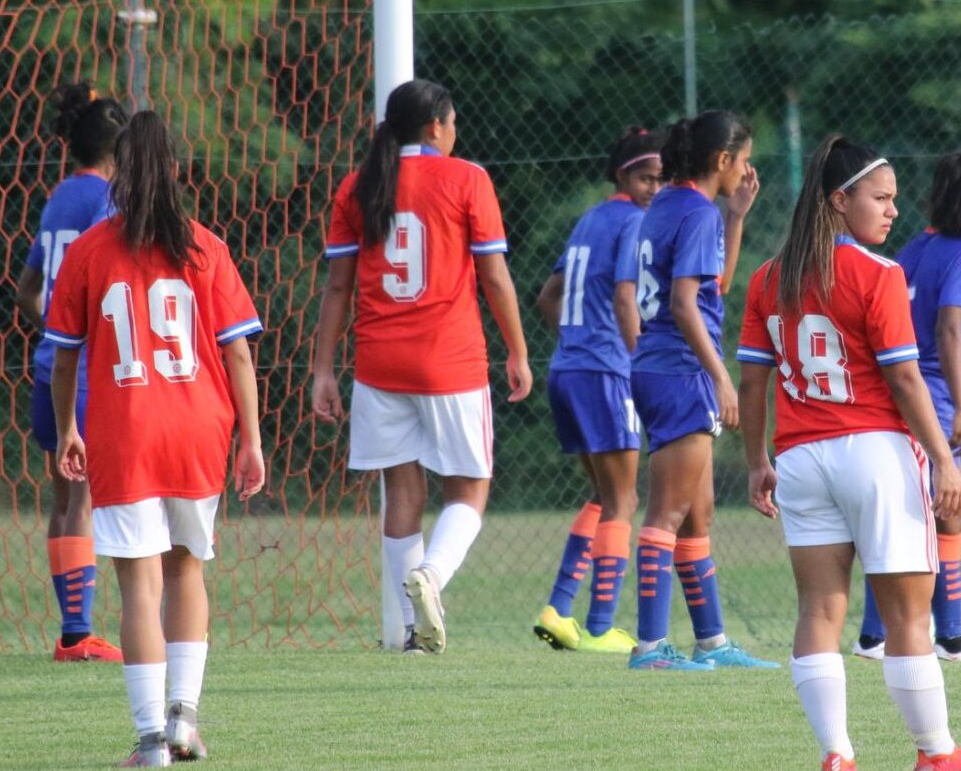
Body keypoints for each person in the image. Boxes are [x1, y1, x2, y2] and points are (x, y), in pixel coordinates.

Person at [739, 135, 961, 771]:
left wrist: (757, 461)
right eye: (880, 198)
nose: (892, 211)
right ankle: (937, 751)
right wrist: (945, 459)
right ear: (840, 201)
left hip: (800, 459)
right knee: (907, 615)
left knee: (818, 611)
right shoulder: (878, 274)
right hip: (877, 453)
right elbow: (905, 379)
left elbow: (753, 381)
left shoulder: (766, 278)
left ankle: (837, 754)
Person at [45, 111, 266, 768]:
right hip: (200, 428)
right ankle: (184, 720)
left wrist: (67, 430)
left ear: (117, 171)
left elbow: (62, 357)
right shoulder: (206, 246)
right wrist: (251, 438)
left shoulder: (90, 251)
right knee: (185, 570)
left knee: (138, 586)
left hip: (128, 431)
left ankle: (149, 741)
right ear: (173, 169)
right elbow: (239, 356)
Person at [309, 79, 532, 655]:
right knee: (470, 487)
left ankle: (413, 632)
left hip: (379, 363)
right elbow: (495, 276)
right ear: (436, 125)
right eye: (453, 121)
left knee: (401, 490)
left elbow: (337, 286)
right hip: (448, 360)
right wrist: (518, 351)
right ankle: (430, 579)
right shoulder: (467, 178)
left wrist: (323, 370)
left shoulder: (357, 187)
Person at [624, 109, 773, 671]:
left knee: (698, 514)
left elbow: (714, 287)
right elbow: (685, 306)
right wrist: (720, 376)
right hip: (681, 369)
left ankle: (711, 640)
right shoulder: (694, 212)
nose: (747, 168)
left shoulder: (671, 205)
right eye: (743, 158)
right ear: (721, 161)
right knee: (668, 512)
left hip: (660, 367)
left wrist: (736, 219)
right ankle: (650, 647)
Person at [853, 152, 961, 665]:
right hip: (933, 392)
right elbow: (948, 330)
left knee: (909, 515)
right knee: (948, 514)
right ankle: (948, 639)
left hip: (898, 390)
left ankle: (878, 636)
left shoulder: (913, 249)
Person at [530, 126, 664, 654]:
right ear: (621, 174)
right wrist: (638, 363)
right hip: (607, 371)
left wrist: (573, 341)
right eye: (643, 176)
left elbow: (548, 296)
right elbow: (626, 301)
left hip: (568, 369)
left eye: (659, 178)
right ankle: (601, 625)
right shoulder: (635, 222)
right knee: (625, 498)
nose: (653, 187)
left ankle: (559, 609)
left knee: (606, 495)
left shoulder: (591, 219)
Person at [16, 82, 126, 663]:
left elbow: (28, 290)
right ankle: (80, 636)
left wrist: (56, 334)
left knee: (65, 498)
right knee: (83, 497)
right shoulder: (106, 201)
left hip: (49, 371)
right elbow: (114, 278)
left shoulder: (59, 197)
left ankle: (73, 629)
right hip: (84, 378)